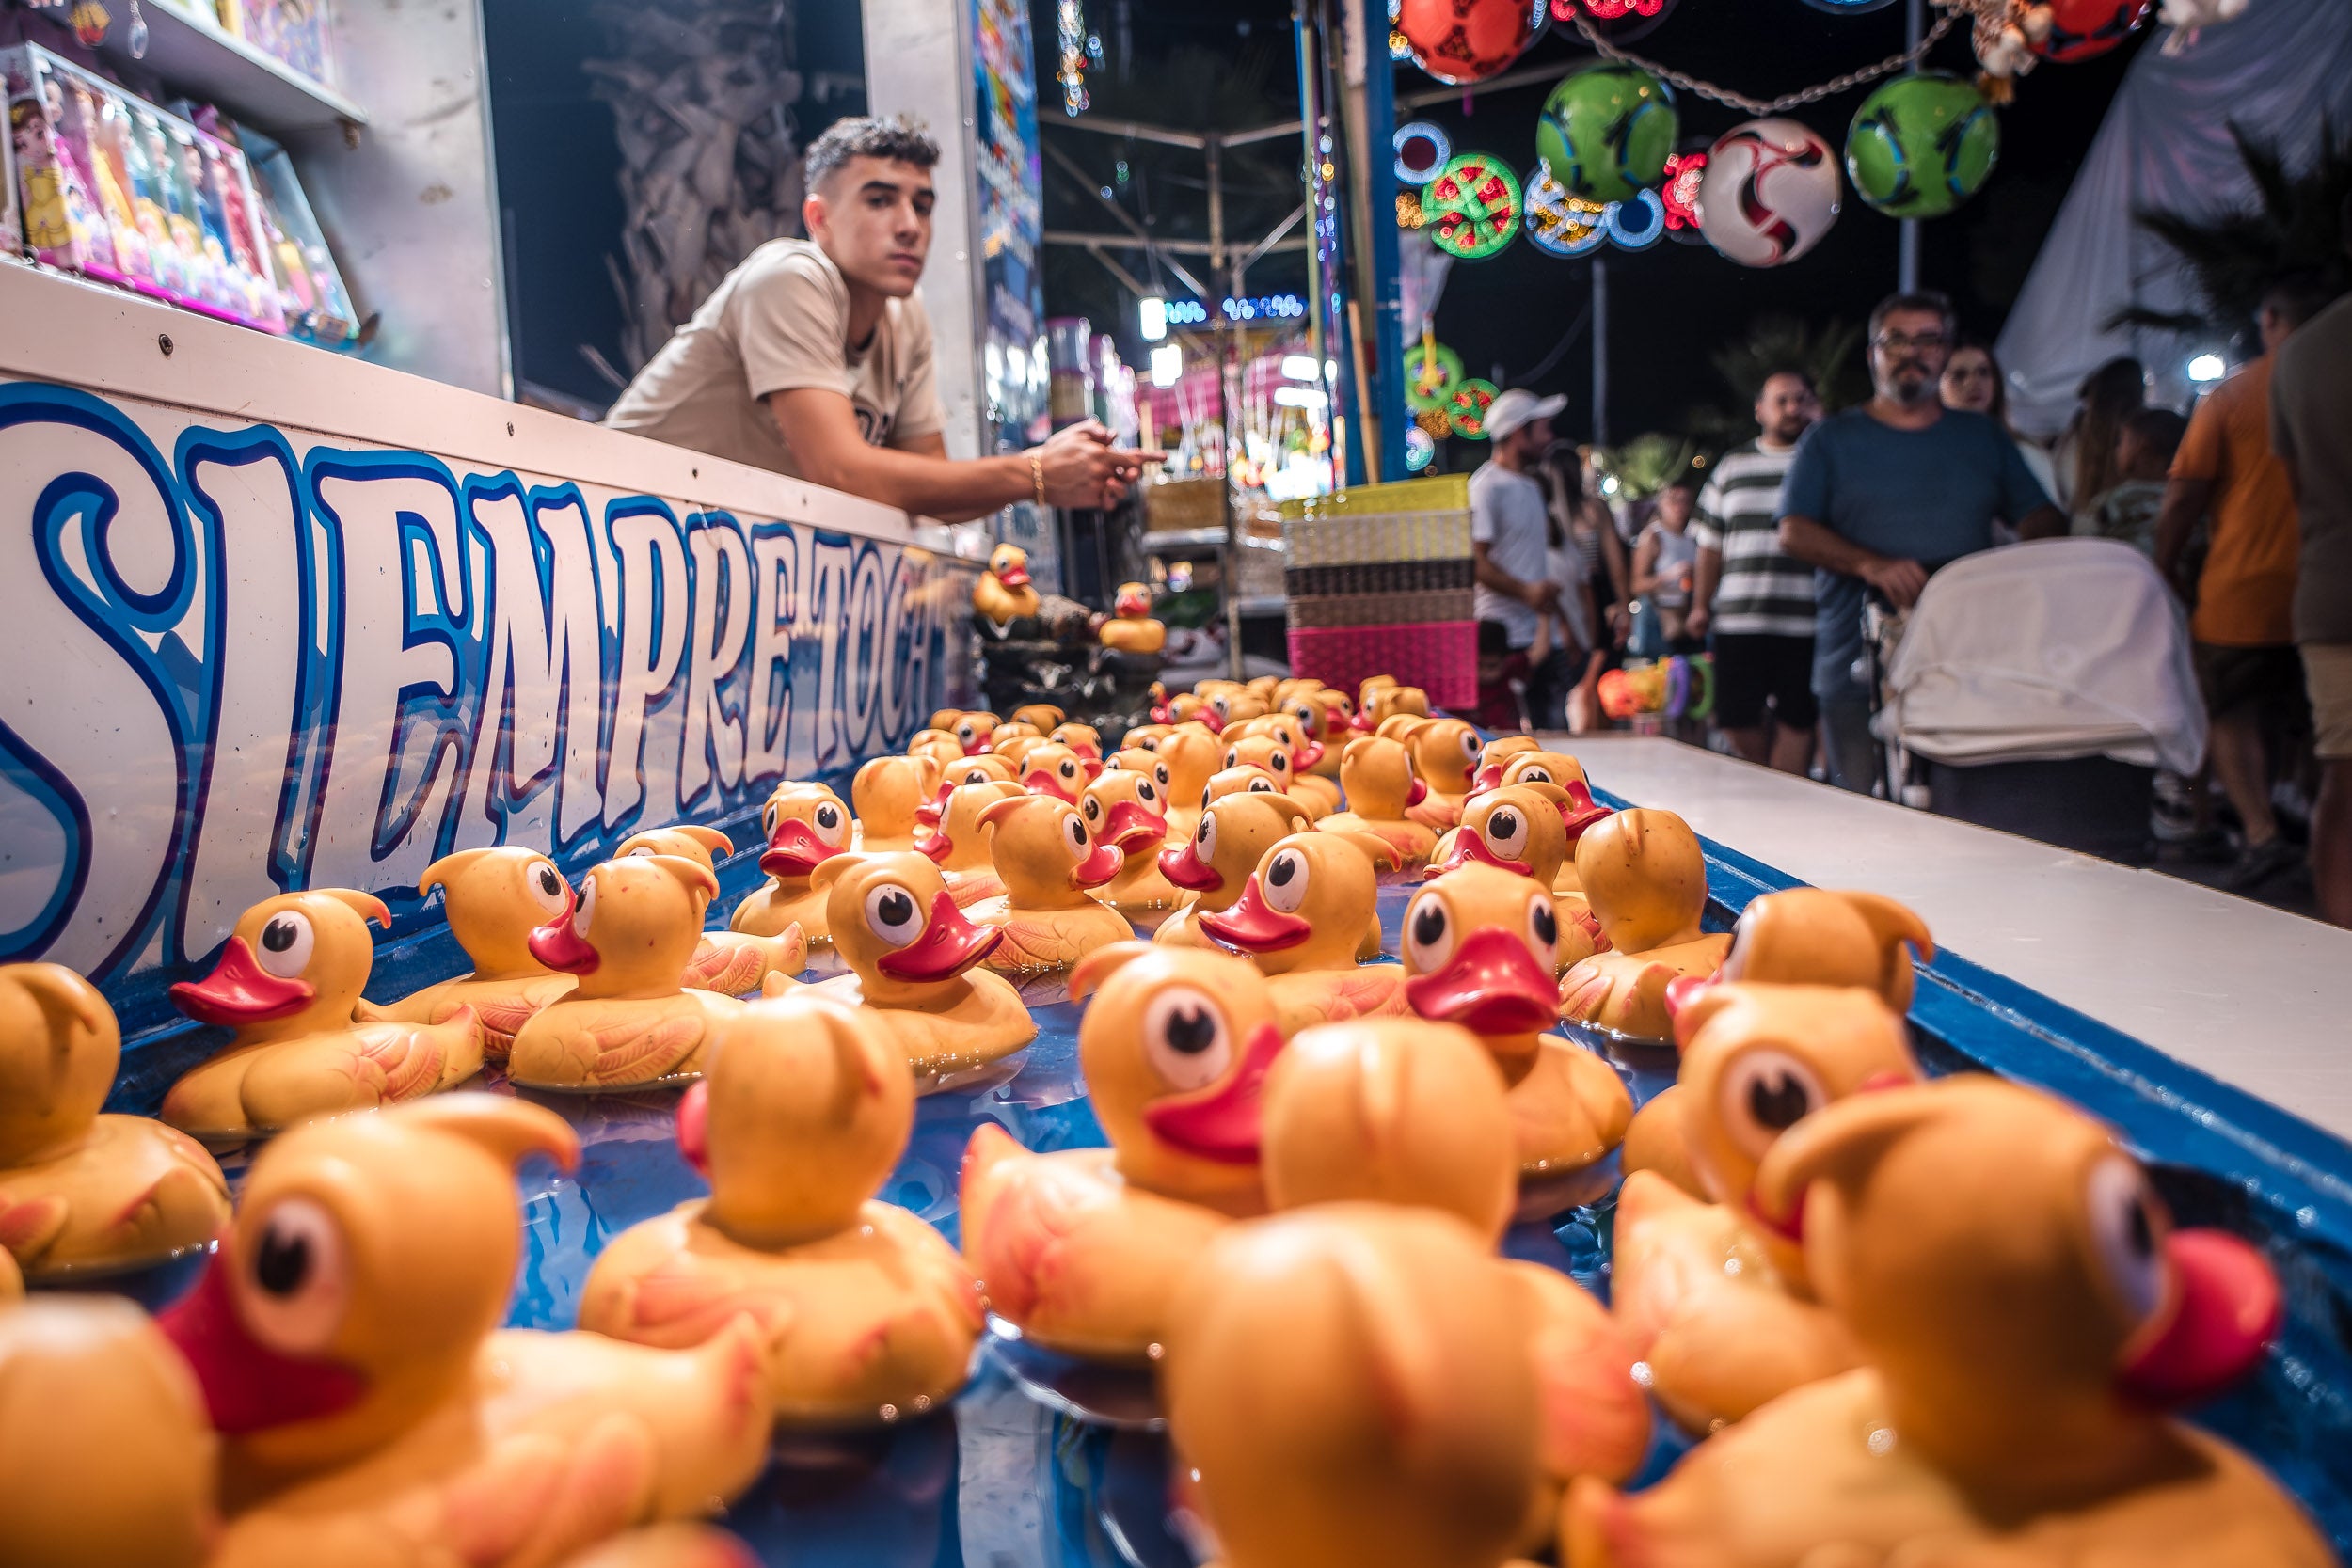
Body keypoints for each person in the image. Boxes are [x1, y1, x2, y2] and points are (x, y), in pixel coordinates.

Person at [607, 115, 1137, 521]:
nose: (909, 226)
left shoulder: (904, 315)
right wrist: (1035, 472)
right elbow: (840, 473)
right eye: (880, 201)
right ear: (818, 218)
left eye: (922, 206)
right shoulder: (788, 276)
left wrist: (1058, 478)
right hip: (600, 528)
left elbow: (930, 489)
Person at [1779, 291, 2066, 796]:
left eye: (1928, 340)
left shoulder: (1981, 437)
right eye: (1897, 341)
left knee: (1961, 809)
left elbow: (2040, 518)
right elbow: (1794, 529)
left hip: (1966, 659)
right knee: (1856, 809)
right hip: (1856, 661)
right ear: (1873, 353)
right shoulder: (1829, 439)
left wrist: (2028, 567)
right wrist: (1870, 563)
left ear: (1946, 350)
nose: (1912, 353)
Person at [2155, 274, 2331, 892]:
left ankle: (2261, 834)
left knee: (2230, 714)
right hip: (2327, 590)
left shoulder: (2235, 393)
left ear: (2271, 320)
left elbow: (2183, 496)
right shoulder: (2335, 383)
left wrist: (2165, 563)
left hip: (2242, 589)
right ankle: (2316, 834)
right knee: (2320, 724)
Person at [2270, 216, 2352, 928]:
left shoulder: (2299, 356)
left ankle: (2336, 940)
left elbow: (2298, 493)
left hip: (2332, 589)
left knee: (2342, 777)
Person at [1692, 369, 1822, 774]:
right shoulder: (1733, 466)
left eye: (1800, 399)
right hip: (1739, 617)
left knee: (1798, 718)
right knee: (1733, 717)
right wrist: (1700, 604)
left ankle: (1783, 800)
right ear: (1760, 410)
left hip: (1806, 620)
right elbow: (1709, 545)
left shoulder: (1822, 462)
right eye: (1781, 400)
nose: (1792, 408)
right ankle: (1772, 779)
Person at [1471, 388, 1572, 727]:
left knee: (1552, 735)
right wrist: (1528, 593)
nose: (1550, 436)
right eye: (1543, 428)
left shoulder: (1530, 485)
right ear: (1519, 432)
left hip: (1540, 631)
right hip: (1503, 640)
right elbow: (1477, 561)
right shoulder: (1485, 487)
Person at [1940, 339, 2059, 506]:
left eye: (1983, 372)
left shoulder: (2023, 452)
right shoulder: (1926, 452)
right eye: (1959, 375)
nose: (1974, 382)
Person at [2053, 356, 2148, 522]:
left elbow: (2063, 492)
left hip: (2085, 533)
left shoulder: (2073, 439)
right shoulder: (2143, 435)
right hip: (2129, 532)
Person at [2087, 407, 2187, 557]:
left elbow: (2085, 544)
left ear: (2141, 447)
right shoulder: (2189, 499)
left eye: (2122, 441)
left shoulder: (2110, 503)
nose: (2117, 449)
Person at [1629, 476, 1702, 656]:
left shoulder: (1691, 538)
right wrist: (1669, 576)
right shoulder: (1653, 536)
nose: (1679, 507)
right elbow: (1636, 585)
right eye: (1673, 500)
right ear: (1661, 503)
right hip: (1659, 621)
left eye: (1685, 501)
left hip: (1684, 621)